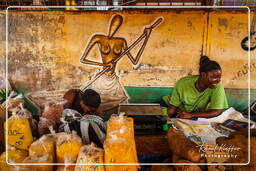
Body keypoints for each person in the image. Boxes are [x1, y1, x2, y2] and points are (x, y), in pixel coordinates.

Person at [80, 14, 152, 111]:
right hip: (101, 78)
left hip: (113, 79)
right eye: (113, 24)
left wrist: (146, 37)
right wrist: (104, 65)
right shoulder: (98, 38)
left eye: (116, 25)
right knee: (96, 105)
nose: (113, 28)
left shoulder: (121, 41)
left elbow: (134, 61)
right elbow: (83, 59)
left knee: (121, 103)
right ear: (110, 24)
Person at [161, 56, 228, 119]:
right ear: (203, 75)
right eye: (214, 77)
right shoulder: (183, 83)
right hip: (170, 107)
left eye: (219, 77)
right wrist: (166, 117)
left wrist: (191, 115)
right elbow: (172, 109)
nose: (218, 80)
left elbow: (217, 111)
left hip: (190, 114)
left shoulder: (217, 85)